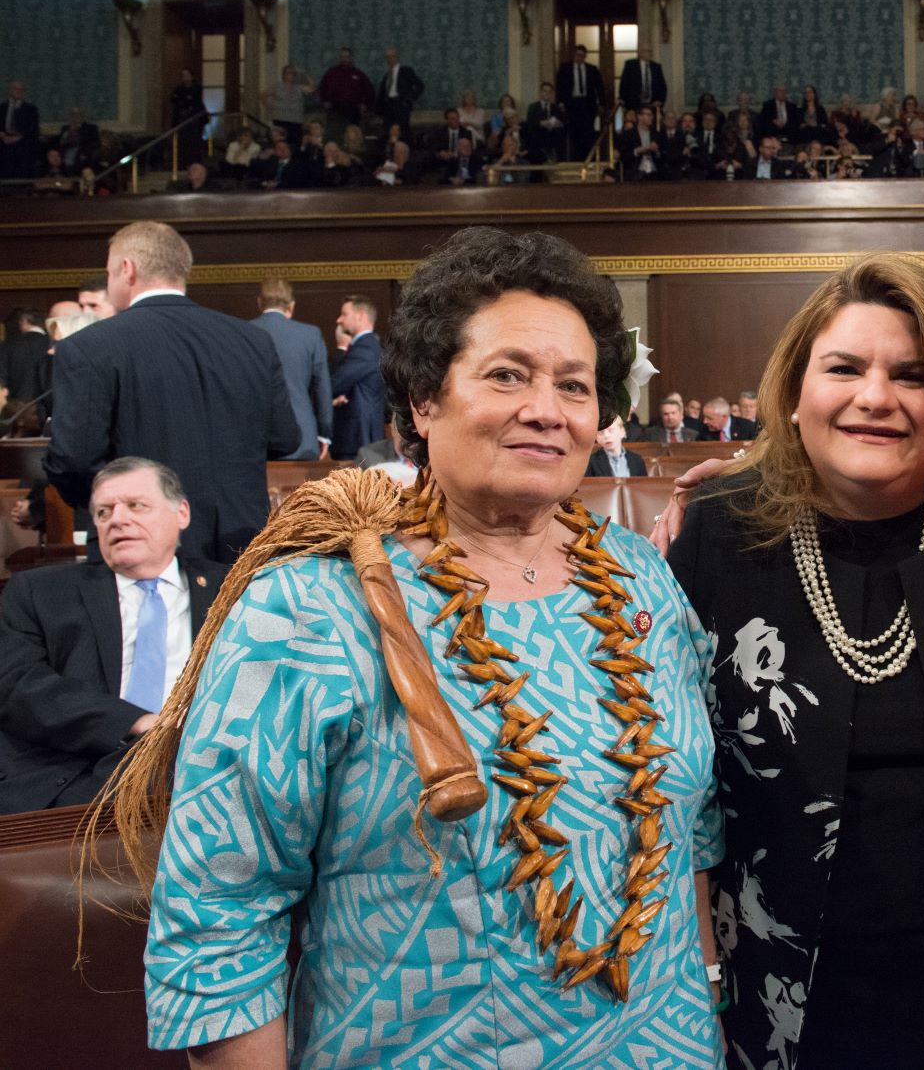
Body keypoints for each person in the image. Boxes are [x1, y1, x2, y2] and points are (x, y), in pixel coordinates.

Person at [110, 226, 723, 1068]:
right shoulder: (309, 607)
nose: (547, 408)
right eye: (507, 374)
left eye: (575, 386)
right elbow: (222, 923)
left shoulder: (639, 577)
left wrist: (710, 996)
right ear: (425, 399)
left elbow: (690, 830)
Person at [666, 253, 924, 1070]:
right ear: (795, 395)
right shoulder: (719, 528)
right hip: (772, 996)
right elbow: (673, 784)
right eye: (844, 368)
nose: (875, 396)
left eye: (912, 374)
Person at [44, 222, 300, 562]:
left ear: (126, 269)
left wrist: (110, 506)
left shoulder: (88, 347)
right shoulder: (252, 341)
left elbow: (74, 459)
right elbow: (285, 439)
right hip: (242, 542)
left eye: (108, 273)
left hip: (142, 546)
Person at [0, 458, 226, 814]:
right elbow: (17, 685)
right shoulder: (40, 592)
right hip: (78, 777)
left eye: (136, 506)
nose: (117, 519)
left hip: (204, 770)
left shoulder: (233, 590)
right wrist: (136, 721)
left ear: (181, 513)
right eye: (104, 512)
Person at [251, 278, 333, 461]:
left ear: (259, 302)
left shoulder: (245, 332)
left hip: (255, 434)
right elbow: (322, 388)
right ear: (291, 306)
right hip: (302, 435)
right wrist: (324, 433)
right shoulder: (310, 335)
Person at [330, 295, 386, 460]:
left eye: (344, 314)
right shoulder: (365, 346)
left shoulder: (365, 348)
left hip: (358, 437)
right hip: (359, 436)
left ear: (360, 316)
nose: (339, 319)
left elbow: (337, 382)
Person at [315, 47, 373, 130]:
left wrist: (364, 104)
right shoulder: (331, 73)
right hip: (335, 109)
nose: (344, 59)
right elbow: (321, 87)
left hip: (353, 110)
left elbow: (369, 90)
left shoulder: (359, 74)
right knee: (335, 133)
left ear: (351, 58)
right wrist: (324, 101)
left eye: (346, 57)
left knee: (352, 134)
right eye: (342, 56)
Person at [374, 47, 424, 136]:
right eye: (387, 57)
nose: (389, 59)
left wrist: (410, 99)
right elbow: (382, 93)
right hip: (388, 107)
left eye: (392, 56)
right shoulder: (386, 76)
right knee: (387, 132)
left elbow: (420, 85)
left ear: (396, 57)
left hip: (401, 105)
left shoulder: (406, 71)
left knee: (403, 131)